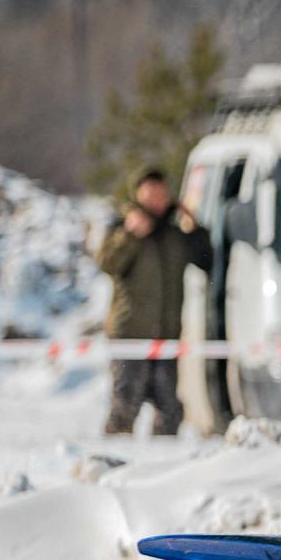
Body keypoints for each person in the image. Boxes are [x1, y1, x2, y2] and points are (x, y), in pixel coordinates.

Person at [97, 169, 210, 436]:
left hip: (166, 336)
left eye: (162, 193)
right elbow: (107, 264)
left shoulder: (175, 232)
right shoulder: (121, 226)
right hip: (130, 336)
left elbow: (206, 260)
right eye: (151, 193)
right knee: (125, 406)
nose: (157, 200)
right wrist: (130, 235)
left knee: (170, 409)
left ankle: (161, 469)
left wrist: (195, 227)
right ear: (138, 194)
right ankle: (114, 465)